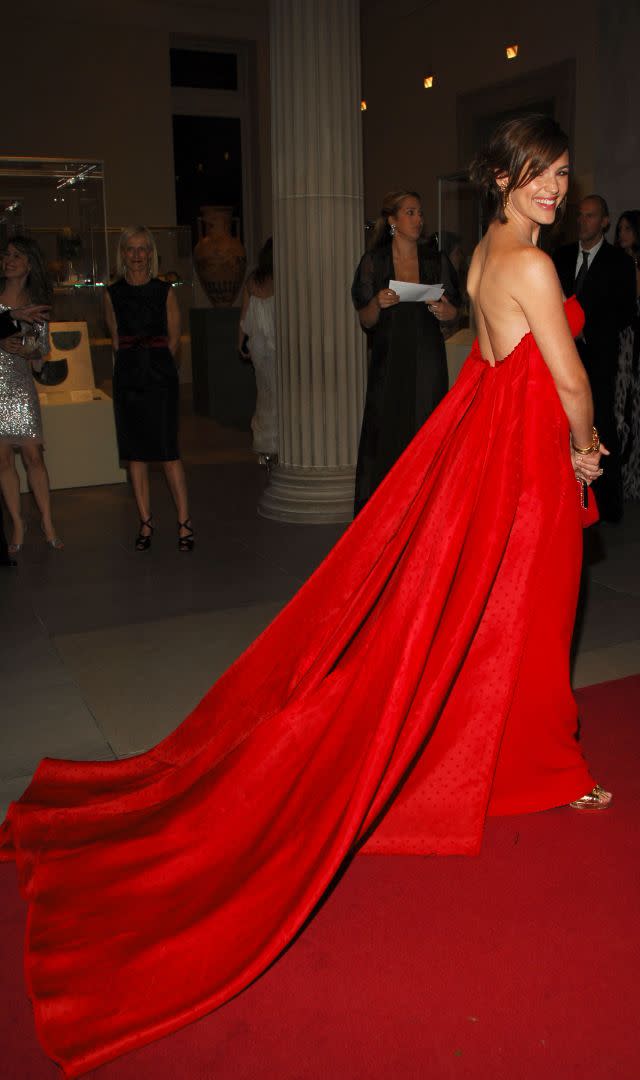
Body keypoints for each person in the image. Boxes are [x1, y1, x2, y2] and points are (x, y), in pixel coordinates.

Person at [0, 115, 612, 1079]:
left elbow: (494, 365)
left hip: (503, 448)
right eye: (536, 174)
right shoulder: (531, 264)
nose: (549, 188)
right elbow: (569, 380)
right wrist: (584, 452)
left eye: (562, 174)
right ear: (501, 179)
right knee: (531, 616)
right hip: (533, 458)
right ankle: (536, 763)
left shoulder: (498, 251)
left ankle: (528, 755)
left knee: (512, 618)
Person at [351, 190, 460, 513]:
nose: (419, 219)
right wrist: (377, 303)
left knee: (427, 428)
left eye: (420, 213)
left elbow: (455, 311)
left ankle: (427, 509)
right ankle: (386, 511)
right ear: (393, 220)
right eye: (410, 213)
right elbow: (366, 319)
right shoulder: (375, 261)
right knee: (388, 431)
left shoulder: (434, 259)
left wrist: (445, 312)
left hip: (428, 357)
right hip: (389, 358)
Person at [104, 226, 193, 551]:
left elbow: (173, 339)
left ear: (151, 254)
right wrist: (132, 367)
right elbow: (115, 340)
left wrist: (156, 366)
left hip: (159, 377)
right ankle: (145, 524)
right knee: (135, 456)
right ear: (123, 254)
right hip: (128, 379)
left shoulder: (164, 291)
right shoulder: (112, 294)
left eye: (143, 249)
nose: (138, 255)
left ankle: (184, 524)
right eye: (132, 249)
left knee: (168, 452)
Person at [553, 195, 637, 521]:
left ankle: (605, 505)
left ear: (604, 221)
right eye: (580, 215)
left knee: (602, 424)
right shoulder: (560, 256)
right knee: (563, 425)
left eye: (590, 216)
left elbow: (627, 310)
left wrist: (588, 329)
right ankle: (565, 498)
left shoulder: (618, 261)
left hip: (600, 355)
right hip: (562, 354)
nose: (583, 221)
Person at [0, 236, 63, 553]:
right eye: (6, 254)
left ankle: (47, 520)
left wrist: (27, 349)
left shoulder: (35, 302)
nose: (8, 259)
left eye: (16, 255)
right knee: (2, 462)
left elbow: (42, 353)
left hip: (22, 387)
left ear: (29, 264)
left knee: (34, 457)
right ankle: (17, 523)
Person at [238, 236, 278, 467]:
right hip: (276, 345)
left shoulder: (253, 280)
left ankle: (265, 447)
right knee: (280, 395)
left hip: (258, 345)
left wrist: (240, 342)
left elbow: (243, 317)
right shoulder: (283, 278)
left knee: (264, 394)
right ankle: (279, 444)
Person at [613, 209, 640, 500]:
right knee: (621, 407)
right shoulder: (618, 263)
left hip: (634, 340)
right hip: (624, 342)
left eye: (628, 229)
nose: (622, 235)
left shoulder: (631, 264)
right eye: (620, 229)